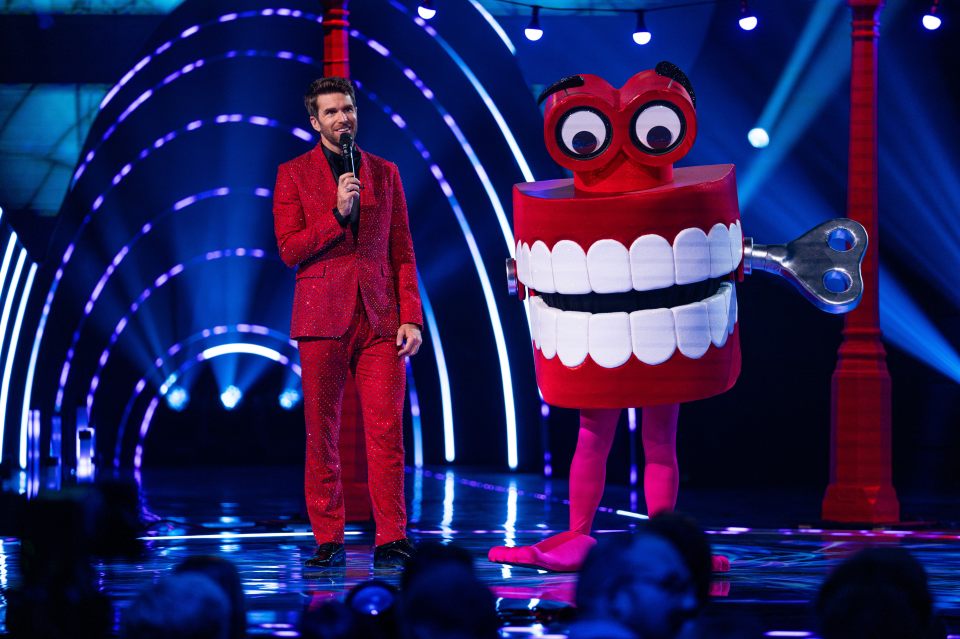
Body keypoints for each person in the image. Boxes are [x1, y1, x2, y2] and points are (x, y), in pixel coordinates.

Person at [273, 76, 423, 569]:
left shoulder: (385, 172)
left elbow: (402, 252)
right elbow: (289, 248)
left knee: (386, 431)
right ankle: (329, 537)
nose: (344, 119)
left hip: (380, 318)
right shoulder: (292, 174)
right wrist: (337, 215)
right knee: (324, 431)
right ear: (315, 122)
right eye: (333, 112)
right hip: (321, 318)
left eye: (349, 109)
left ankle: (392, 536)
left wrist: (412, 318)